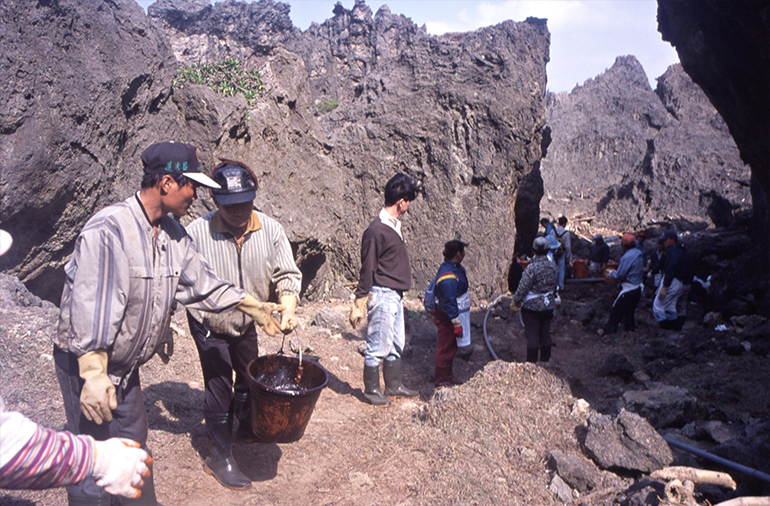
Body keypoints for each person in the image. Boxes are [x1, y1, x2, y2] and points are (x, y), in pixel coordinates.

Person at [52, 142, 285, 506]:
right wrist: (93, 373)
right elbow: (91, 307)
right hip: (87, 362)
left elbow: (202, 284)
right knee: (93, 457)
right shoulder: (110, 229)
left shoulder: (173, 234)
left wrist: (253, 306)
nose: (197, 194)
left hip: (124, 365)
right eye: (190, 185)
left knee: (133, 442)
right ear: (165, 183)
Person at [0, 230, 150, 499]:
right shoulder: (101, 235)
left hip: (118, 363)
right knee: (90, 440)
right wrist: (96, 459)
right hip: (78, 358)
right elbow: (5, 447)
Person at [185, 160, 302, 490]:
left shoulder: (271, 230)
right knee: (218, 384)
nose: (237, 211)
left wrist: (288, 310)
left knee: (251, 373)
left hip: (252, 320)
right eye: (228, 205)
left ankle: (247, 426)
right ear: (214, 200)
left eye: (244, 203)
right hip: (209, 322)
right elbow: (187, 283)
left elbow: (287, 276)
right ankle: (218, 456)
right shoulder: (196, 233)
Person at [349, 173, 423, 406]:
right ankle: (371, 390)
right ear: (401, 201)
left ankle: (393, 385)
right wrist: (359, 303)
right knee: (377, 345)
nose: (409, 205)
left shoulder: (393, 226)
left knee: (395, 343)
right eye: (409, 200)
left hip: (395, 295)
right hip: (382, 293)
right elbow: (368, 267)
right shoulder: (376, 230)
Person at [510, 237, 559, 363]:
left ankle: (531, 365)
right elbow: (555, 287)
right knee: (545, 333)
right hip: (548, 306)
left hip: (532, 308)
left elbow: (523, 287)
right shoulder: (554, 267)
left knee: (532, 335)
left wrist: (515, 301)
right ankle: (545, 362)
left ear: (533, 251)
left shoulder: (532, 268)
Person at [430, 240, 471, 387]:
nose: (464, 254)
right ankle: (441, 380)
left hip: (451, 315)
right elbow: (449, 300)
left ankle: (448, 376)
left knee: (451, 347)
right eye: (463, 251)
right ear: (458, 254)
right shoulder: (448, 276)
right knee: (445, 348)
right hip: (447, 316)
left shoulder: (454, 268)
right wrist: (456, 323)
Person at [604, 233, 645, 334]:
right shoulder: (638, 253)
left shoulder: (626, 257)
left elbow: (620, 276)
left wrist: (611, 274)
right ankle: (629, 333)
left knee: (615, 312)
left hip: (629, 289)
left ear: (624, 246)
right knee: (629, 313)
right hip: (638, 288)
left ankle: (609, 334)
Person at [653, 231, 692, 330]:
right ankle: (676, 329)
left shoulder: (673, 252)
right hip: (686, 282)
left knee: (658, 306)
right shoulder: (683, 251)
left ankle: (666, 329)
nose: (664, 242)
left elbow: (671, 268)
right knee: (675, 307)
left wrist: (665, 286)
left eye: (666, 240)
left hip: (674, 281)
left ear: (672, 240)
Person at [553, 216, 572, 290]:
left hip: (553, 252)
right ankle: (560, 285)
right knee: (561, 269)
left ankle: (553, 285)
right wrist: (569, 256)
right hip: (562, 253)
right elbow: (568, 246)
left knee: (553, 269)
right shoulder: (566, 233)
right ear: (565, 223)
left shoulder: (553, 231)